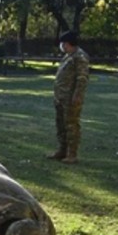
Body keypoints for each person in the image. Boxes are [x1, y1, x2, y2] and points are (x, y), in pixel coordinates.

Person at [49, 29, 90, 162]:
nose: (62, 46)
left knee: (71, 125)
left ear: (68, 43)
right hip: (61, 97)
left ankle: (72, 154)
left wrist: (77, 95)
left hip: (71, 98)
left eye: (63, 43)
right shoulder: (68, 56)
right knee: (60, 124)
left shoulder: (80, 57)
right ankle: (62, 150)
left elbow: (82, 78)